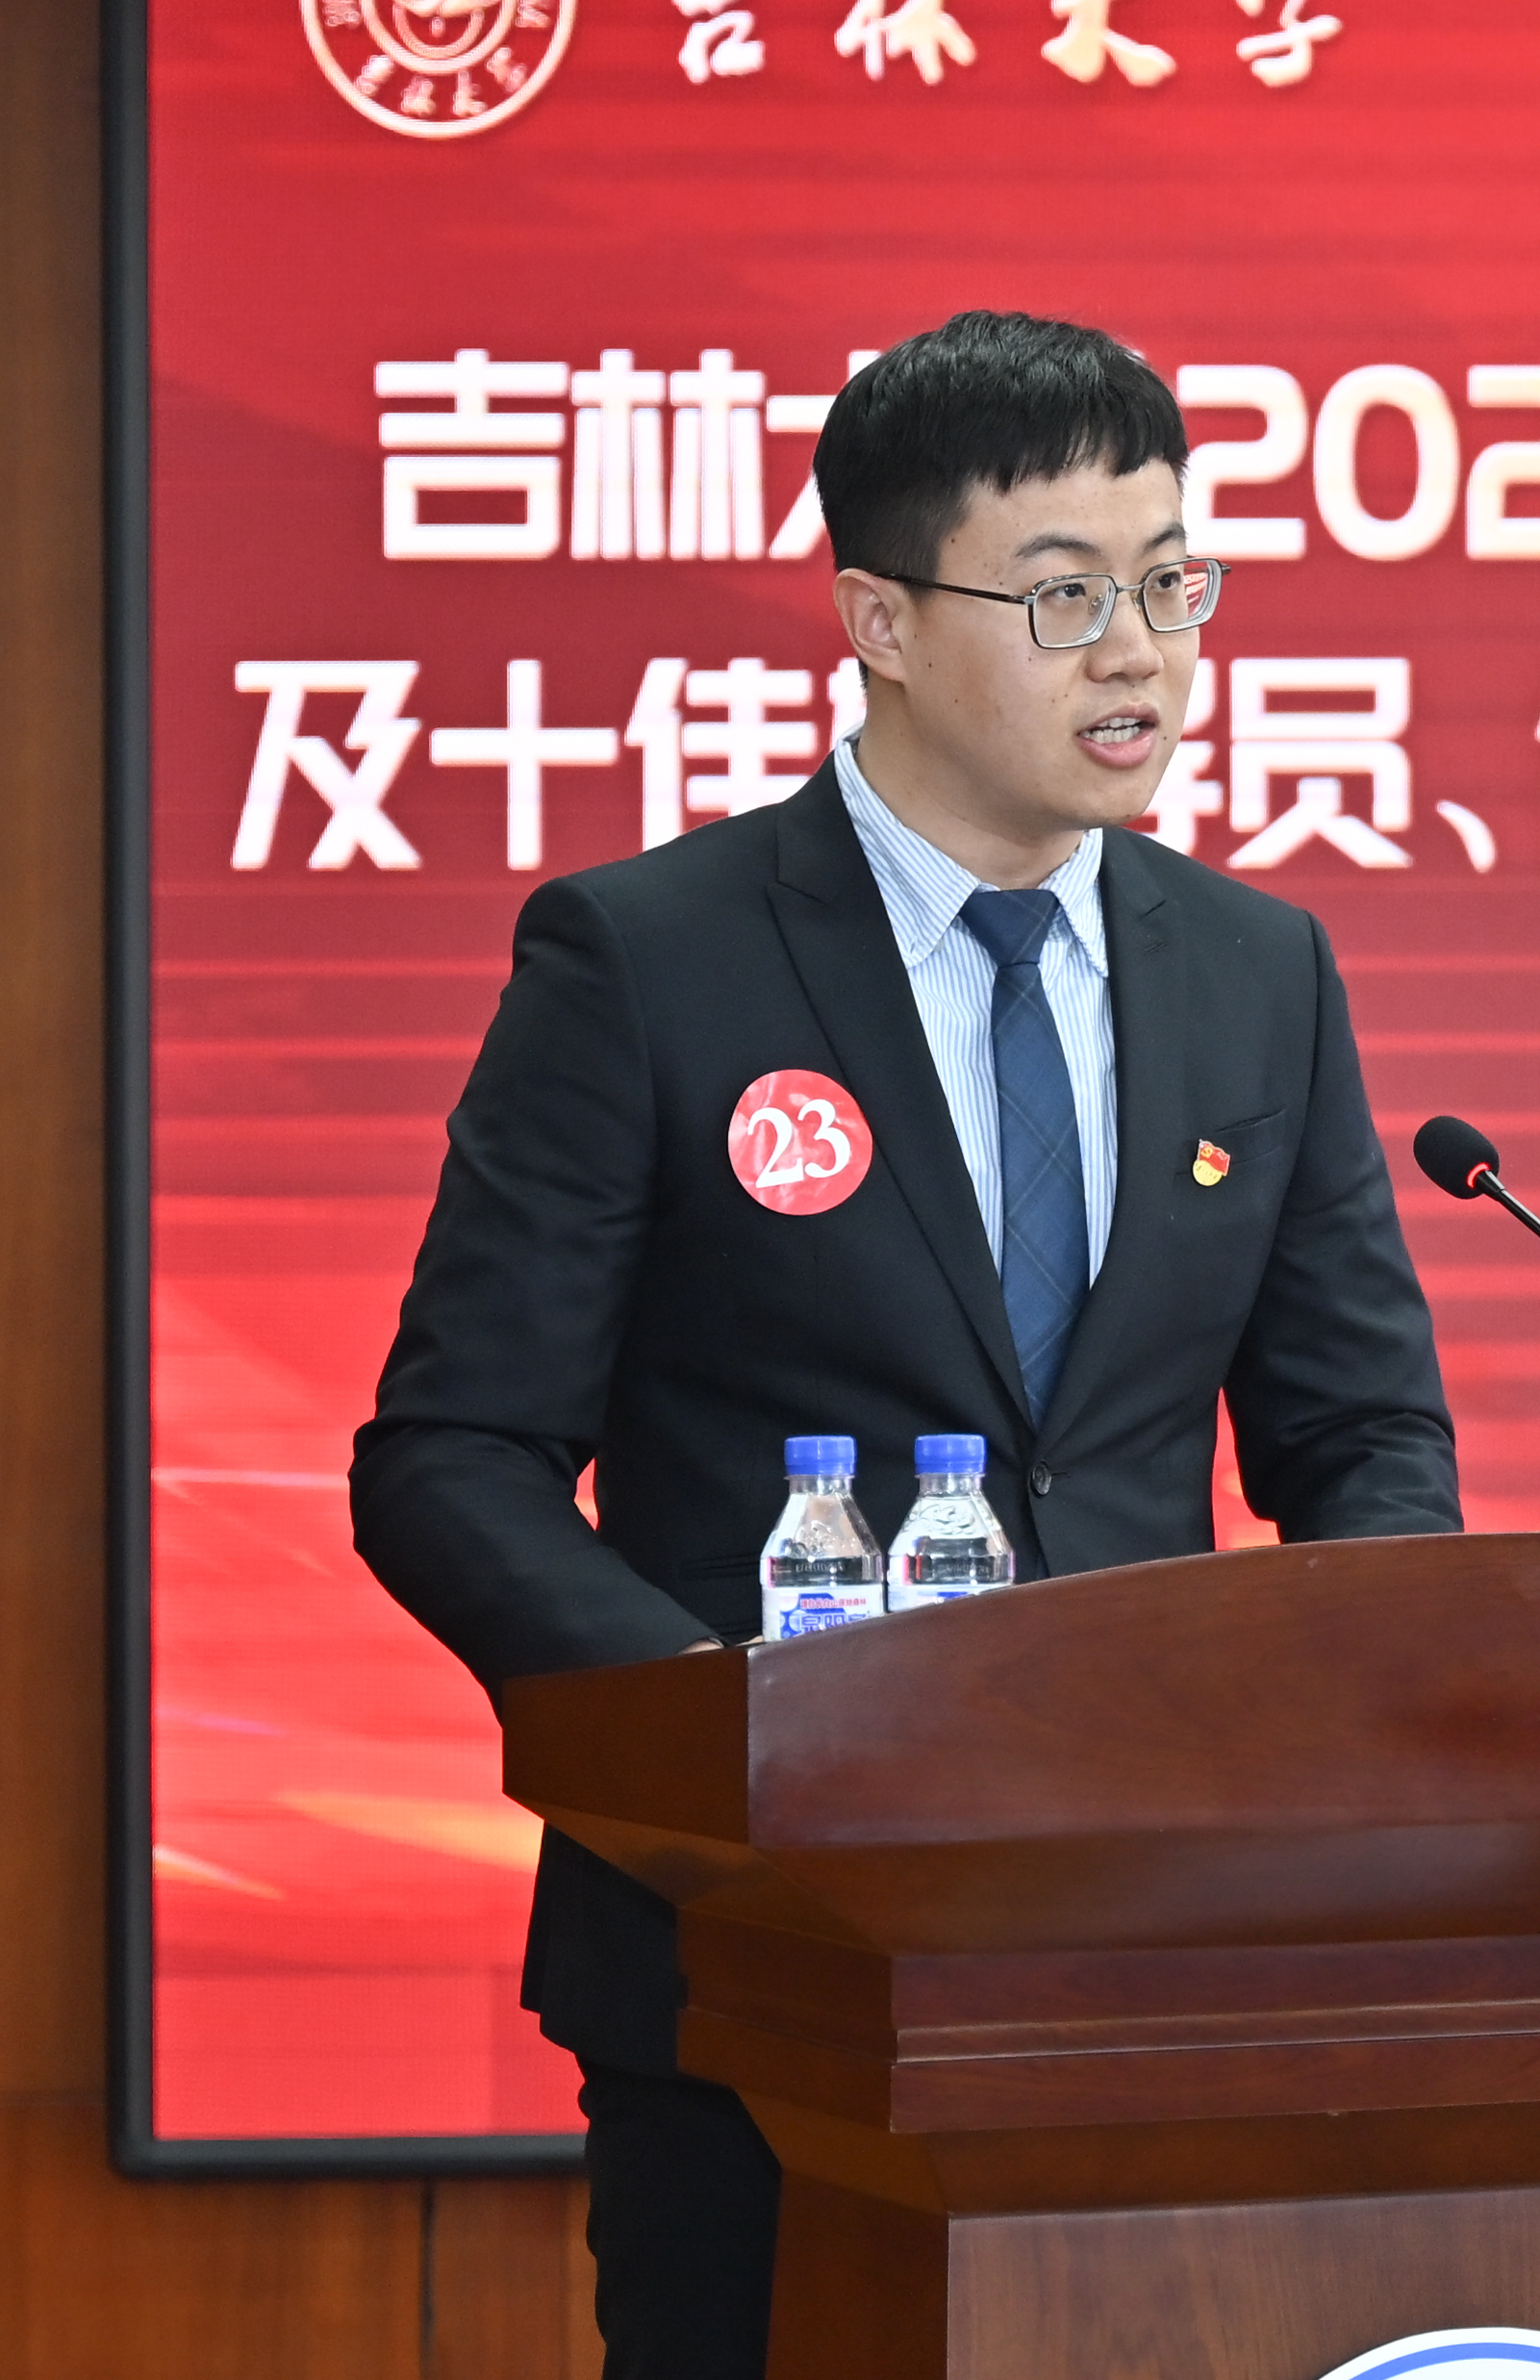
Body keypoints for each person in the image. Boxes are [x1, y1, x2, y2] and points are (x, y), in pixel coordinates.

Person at [351, 310, 1461, 2379]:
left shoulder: (1257, 973)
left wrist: (1345, 1740)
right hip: (756, 1973)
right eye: (1062, 596)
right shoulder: (649, 960)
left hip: (1156, 1967)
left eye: (1171, 582)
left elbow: (1362, 1437)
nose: (1139, 653)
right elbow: (451, 1460)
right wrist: (729, 1749)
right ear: (878, 618)